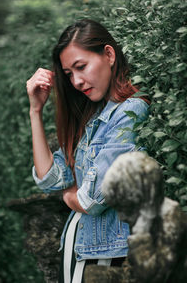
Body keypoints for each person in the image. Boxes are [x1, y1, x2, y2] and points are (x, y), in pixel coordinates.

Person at [26, 19, 149, 283]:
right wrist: (35, 111)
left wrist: (69, 197)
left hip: (107, 257)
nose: (77, 81)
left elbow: (90, 200)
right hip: (80, 249)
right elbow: (51, 179)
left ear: (109, 54)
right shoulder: (93, 118)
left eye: (81, 67)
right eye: (69, 74)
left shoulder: (132, 111)